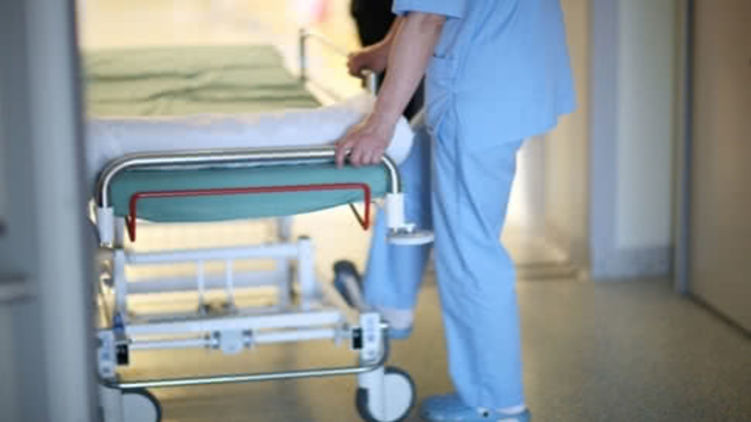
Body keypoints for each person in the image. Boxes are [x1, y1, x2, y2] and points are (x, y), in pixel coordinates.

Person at [335, 1, 575, 421]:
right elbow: (427, 8)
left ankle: (495, 403)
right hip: (504, 69)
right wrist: (386, 51)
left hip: (481, 89)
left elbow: (427, 17)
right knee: (411, 168)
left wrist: (379, 124)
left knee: (469, 250)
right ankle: (387, 306)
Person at [349, 0, 423, 120]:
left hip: (405, 48)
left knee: (399, 119)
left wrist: (386, 49)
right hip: (385, 36)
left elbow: (425, 15)